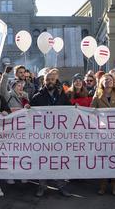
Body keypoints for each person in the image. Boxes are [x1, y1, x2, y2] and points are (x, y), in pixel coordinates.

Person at [31, 69, 72, 197]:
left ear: (56, 80)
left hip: (58, 135)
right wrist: (28, 109)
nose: (50, 81)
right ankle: (42, 187)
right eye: (47, 79)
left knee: (58, 161)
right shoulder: (37, 96)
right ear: (44, 81)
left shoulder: (62, 95)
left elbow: (69, 109)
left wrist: (75, 109)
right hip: (42, 135)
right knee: (42, 161)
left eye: (52, 79)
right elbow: (30, 114)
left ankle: (61, 186)